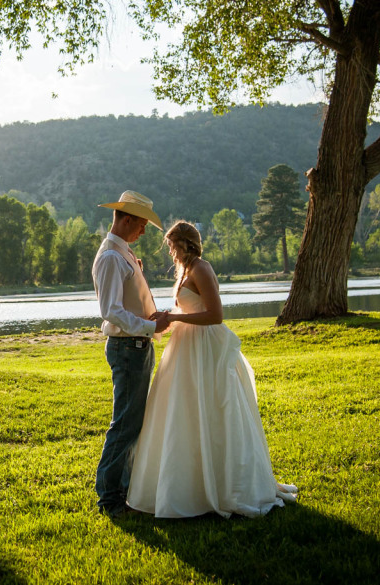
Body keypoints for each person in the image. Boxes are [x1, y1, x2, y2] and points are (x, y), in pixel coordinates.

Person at [127, 220, 297, 518]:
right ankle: (187, 484)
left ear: (183, 244)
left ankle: (220, 485)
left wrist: (177, 319)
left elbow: (215, 315)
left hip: (204, 347)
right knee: (185, 412)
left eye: (171, 245)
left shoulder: (202, 269)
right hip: (186, 348)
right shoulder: (186, 271)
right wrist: (169, 316)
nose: (169, 251)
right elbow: (188, 309)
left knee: (211, 409)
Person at [92, 190, 171, 518]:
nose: (143, 232)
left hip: (136, 345)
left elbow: (125, 302)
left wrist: (148, 320)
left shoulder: (122, 253)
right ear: (125, 220)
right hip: (128, 348)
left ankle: (121, 489)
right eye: (141, 225)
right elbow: (110, 311)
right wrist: (150, 327)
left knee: (132, 422)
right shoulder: (112, 257)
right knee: (125, 423)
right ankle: (110, 497)